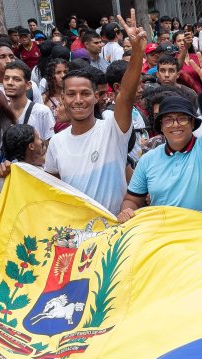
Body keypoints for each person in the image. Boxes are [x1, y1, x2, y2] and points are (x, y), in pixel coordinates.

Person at [45, 12, 147, 215]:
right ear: (63, 98)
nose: (78, 100)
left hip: (117, 231)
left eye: (85, 93)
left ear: (96, 96)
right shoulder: (56, 143)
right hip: (79, 235)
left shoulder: (112, 129)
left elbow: (126, 94)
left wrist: (136, 51)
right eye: (71, 94)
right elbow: (52, 191)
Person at [118, 59, 202, 219]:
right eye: (168, 119)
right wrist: (127, 210)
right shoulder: (148, 160)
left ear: (192, 123)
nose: (175, 125)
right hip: (164, 238)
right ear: (160, 126)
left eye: (182, 118)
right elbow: (132, 199)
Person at [2, 61, 55, 148]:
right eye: (6, 78)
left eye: (16, 79)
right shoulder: (1, 113)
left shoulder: (41, 112)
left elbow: (51, 146)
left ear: (28, 85)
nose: (10, 83)